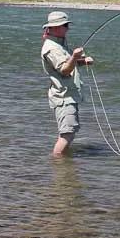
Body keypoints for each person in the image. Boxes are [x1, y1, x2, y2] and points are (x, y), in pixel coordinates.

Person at [41, 11, 94, 158]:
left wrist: (82, 61)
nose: (68, 28)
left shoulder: (60, 44)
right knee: (67, 134)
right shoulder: (51, 48)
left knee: (69, 132)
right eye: (65, 25)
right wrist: (76, 56)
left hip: (69, 95)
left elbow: (69, 63)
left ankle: (60, 164)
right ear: (56, 27)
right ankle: (59, 166)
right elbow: (64, 70)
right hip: (63, 97)